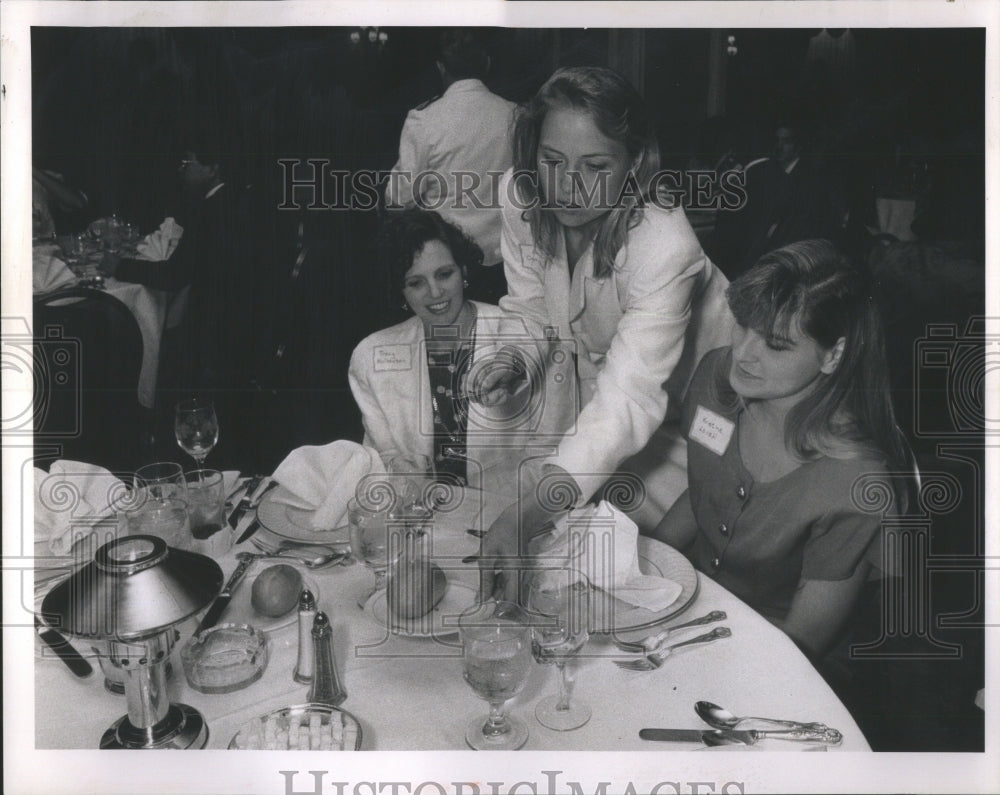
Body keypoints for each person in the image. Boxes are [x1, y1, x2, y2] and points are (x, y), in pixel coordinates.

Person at [478, 66, 734, 598]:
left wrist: (533, 510)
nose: (567, 188)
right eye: (551, 161)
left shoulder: (665, 245)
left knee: (639, 578)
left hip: (704, 425)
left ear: (635, 163)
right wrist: (516, 360)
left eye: (595, 166)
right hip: (611, 405)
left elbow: (628, 398)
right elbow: (530, 309)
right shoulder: (521, 199)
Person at [648, 239, 911, 658]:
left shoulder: (856, 482)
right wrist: (644, 568)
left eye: (775, 344)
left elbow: (804, 638)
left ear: (833, 355)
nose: (743, 354)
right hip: (690, 611)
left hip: (770, 651)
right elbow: (705, 491)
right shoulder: (716, 381)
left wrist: (686, 640)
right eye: (743, 326)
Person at [348, 208, 571, 495]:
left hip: (511, 517)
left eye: (444, 274)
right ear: (399, 290)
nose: (435, 292)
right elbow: (379, 459)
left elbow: (554, 453)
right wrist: (400, 473)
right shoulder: (371, 357)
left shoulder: (527, 337)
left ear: (463, 271)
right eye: (416, 283)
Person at [384, 29, 517, 304]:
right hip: (504, 263)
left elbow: (398, 199)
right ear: (487, 64)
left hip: (445, 263)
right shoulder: (517, 116)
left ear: (441, 68)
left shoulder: (424, 120)